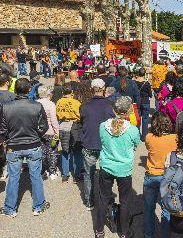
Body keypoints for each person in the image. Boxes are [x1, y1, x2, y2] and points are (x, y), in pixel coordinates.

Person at [0, 78, 49, 217]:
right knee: (36, 176)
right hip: (32, 144)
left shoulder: (6, 106)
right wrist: (36, 134)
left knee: (13, 177)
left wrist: (6, 139)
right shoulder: (36, 105)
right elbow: (44, 126)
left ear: (15, 89)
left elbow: (1, 129)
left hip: (14, 145)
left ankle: (10, 208)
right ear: (28, 90)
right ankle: (38, 206)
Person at [95, 96, 141, 238]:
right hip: (123, 169)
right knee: (125, 200)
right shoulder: (132, 130)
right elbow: (136, 144)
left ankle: (99, 230)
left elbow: (102, 142)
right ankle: (124, 232)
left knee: (103, 198)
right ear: (128, 112)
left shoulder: (103, 126)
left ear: (114, 110)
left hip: (106, 166)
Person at [79, 79, 115, 211]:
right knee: (107, 173)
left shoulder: (84, 106)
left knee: (89, 174)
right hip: (105, 144)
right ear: (104, 88)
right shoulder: (110, 105)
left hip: (89, 142)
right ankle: (106, 198)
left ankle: (89, 201)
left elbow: (82, 123)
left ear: (91, 88)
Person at [143, 112, 177, 238]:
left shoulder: (149, 137)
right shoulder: (175, 138)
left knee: (148, 209)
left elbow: (148, 148)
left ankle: (148, 235)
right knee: (166, 210)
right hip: (167, 175)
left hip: (151, 174)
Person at [56, 83, 83, 183]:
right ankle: (77, 175)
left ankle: (65, 175)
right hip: (74, 125)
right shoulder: (76, 102)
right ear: (72, 92)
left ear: (63, 92)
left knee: (65, 150)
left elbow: (57, 114)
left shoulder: (59, 102)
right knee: (76, 150)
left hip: (63, 125)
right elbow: (80, 115)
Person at [36, 86, 60, 180]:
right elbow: (54, 120)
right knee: (52, 152)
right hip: (50, 131)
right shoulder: (51, 104)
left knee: (41, 151)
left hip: (39, 131)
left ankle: (42, 170)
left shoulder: (36, 103)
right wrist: (57, 132)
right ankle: (52, 172)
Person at [135, 68, 153, 140]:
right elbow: (150, 94)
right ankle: (144, 136)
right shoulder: (147, 83)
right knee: (145, 119)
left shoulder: (134, 82)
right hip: (145, 102)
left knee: (137, 119)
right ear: (145, 74)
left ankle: (137, 135)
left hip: (137, 102)